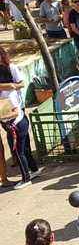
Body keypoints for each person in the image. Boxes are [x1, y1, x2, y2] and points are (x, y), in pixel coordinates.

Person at [0, 45, 38, 189]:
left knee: (19, 150)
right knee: (23, 148)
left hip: (15, 121)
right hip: (14, 120)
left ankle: (26, 178)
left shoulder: (10, 91)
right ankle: (33, 170)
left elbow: (20, 84)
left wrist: (10, 86)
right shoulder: (8, 93)